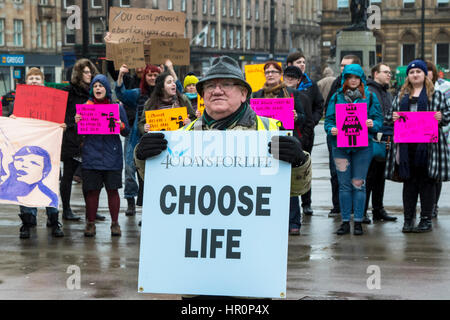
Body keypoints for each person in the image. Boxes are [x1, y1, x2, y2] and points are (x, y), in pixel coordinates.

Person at [134, 56, 312, 240]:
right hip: (199, 237)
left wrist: (299, 162)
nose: (217, 91)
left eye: (226, 84)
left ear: (244, 94)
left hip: (252, 238)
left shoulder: (270, 130)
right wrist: (143, 157)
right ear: (203, 95)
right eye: (210, 86)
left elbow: (296, 189)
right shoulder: (183, 135)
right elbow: (163, 186)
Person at [385, 59, 450, 233]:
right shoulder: (401, 95)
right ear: (408, 76)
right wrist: (393, 118)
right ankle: (408, 219)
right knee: (410, 184)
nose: (415, 75)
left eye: (418, 72)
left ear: (424, 75)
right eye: (412, 72)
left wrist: (440, 117)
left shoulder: (435, 95)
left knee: (427, 183)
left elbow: (447, 116)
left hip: (429, 147)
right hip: (406, 147)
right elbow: (388, 117)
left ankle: (426, 219)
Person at [3, 68, 65, 239]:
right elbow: (9, 126)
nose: (35, 81)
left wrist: (61, 126)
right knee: (24, 185)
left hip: (48, 152)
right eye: (32, 78)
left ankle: (53, 220)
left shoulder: (52, 100)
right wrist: (12, 119)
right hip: (26, 149)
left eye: (38, 78)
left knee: (50, 183)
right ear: (26, 81)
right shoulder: (18, 100)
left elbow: (58, 121)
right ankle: (28, 220)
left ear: (43, 81)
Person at [324, 64, 383, 236]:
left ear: (361, 79)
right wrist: (331, 129)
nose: (353, 80)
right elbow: (328, 120)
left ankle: (357, 221)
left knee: (358, 184)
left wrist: (372, 124)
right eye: (350, 77)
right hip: (341, 148)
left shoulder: (369, 97)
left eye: (356, 77)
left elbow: (379, 120)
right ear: (345, 79)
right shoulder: (336, 97)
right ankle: (344, 222)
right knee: (343, 186)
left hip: (362, 148)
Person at [252, 62, 307, 235]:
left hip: (285, 142)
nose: (270, 75)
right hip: (262, 143)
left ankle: (293, 222)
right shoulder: (256, 95)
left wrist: (296, 116)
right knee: (266, 185)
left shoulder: (291, 93)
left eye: (273, 72)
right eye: (267, 72)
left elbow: (304, 117)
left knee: (288, 184)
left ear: (280, 74)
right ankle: (271, 220)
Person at [75, 74, 130, 237]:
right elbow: (78, 135)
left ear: (107, 89)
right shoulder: (85, 108)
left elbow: (127, 130)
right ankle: (90, 223)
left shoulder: (117, 108)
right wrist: (77, 121)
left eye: (101, 85)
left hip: (112, 156)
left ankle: (115, 224)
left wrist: (120, 124)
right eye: (95, 86)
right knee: (92, 191)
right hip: (91, 156)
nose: (98, 88)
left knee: (113, 191)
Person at [115, 63, 162, 215]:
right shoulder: (138, 93)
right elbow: (121, 94)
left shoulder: (164, 94)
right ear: (145, 77)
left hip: (158, 137)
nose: (153, 78)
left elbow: (178, 90)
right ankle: (130, 201)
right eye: (150, 75)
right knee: (130, 168)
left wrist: (170, 69)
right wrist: (121, 75)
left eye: (156, 75)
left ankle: (152, 207)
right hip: (137, 135)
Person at [61, 58, 100, 222]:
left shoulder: (94, 91)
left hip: (89, 140)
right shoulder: (70, 91)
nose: (89, 74)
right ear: (79, 74)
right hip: (72, 139)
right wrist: (72, 121)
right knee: (68, 176)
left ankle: (91, 210)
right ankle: (66, 209)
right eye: (85, 72)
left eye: (90, 72)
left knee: (88, 177)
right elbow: (63, 114)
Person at [324, 55, 362, 218]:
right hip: (338, 138)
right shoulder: (336, 84)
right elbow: (329, 111)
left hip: (358, 138)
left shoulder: (363, 89)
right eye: (341, 65)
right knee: (336, 173)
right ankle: (337, 206)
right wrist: (331, 128)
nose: (342, 68)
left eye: (346, 66)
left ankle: (356, 208)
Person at [286, 52, 324, 216]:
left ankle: (306, 203)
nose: (302, 64)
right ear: (289, 64)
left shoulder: (310, 85)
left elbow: (318, 106)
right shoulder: (281, 89)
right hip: (287, 135)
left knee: (304, 168)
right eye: (298, 62)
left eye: (303, 62)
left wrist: (313, 122)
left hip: (305, 135)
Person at [364, 63, 397, 222]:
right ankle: (362, 211)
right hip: (371, 139)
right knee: (369, 177)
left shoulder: (386, 92)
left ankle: (378, 209)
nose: (389, 75)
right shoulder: (370, 91)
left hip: (384, 139)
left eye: (390, 72)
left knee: (379, 177)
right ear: (375, 74)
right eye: (385, 72)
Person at [426, 61, 450, 219]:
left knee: (436, 174)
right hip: (418, 137)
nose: (425, 73)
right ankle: (426, 205)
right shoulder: (412, 89)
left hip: (441, 134)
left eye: (428, 70)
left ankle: (433, 205)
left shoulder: (445, 88)